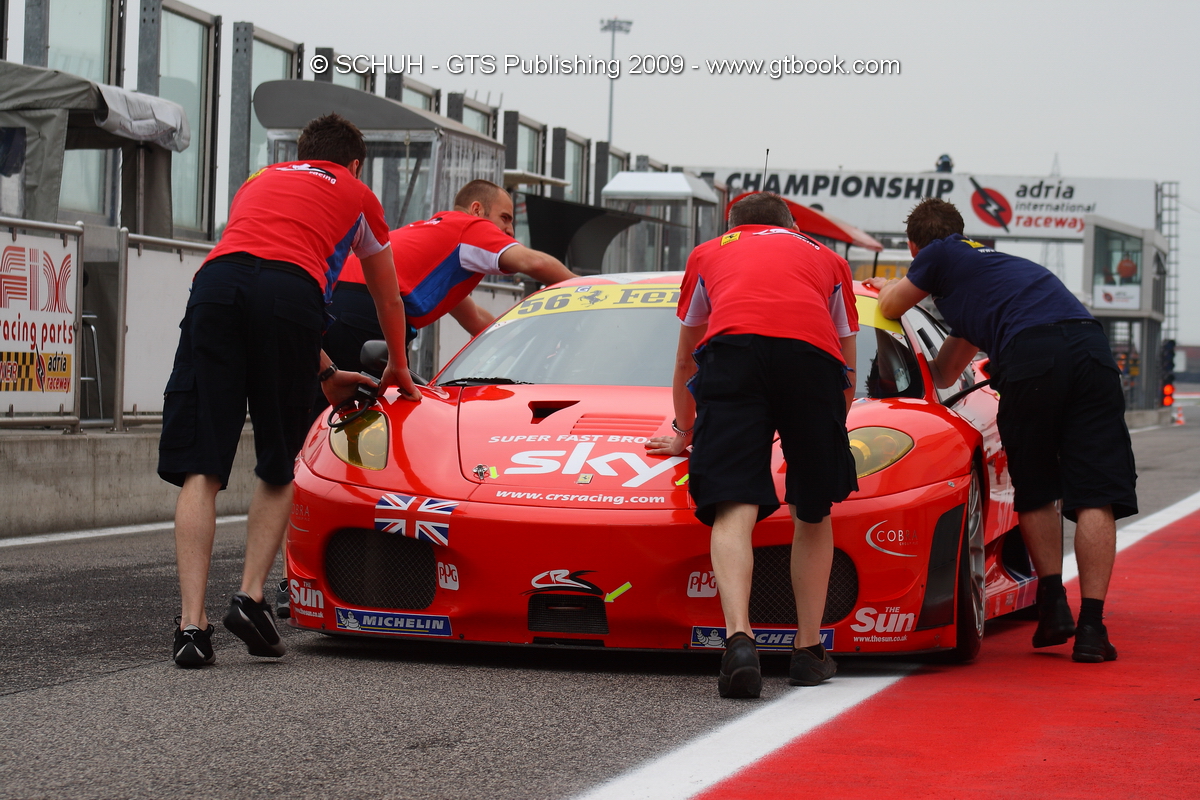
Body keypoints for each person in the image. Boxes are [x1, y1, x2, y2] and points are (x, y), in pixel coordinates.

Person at [159, 113, 420, 668]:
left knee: (202, 466)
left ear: (300, 150)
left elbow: (252, 266)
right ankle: (251, 597)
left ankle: (190, 627)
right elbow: (387, 299)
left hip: (214, 287)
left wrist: (324, 372)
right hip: (290, 291)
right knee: (279, 461)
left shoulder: (259, 179)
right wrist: (398, 364)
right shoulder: (358, 193)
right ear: (353, 163)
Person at [865, 197, 1137, 663]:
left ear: (915, 249)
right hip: (1091, 349)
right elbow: (949, 370)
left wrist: (884, 286)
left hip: (1033, 355)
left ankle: (1053, 606)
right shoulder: (997, 273)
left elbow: (890, 302)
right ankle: (1092, 627)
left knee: (1033, 488)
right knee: (1094, 495)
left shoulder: (943, 251)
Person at [647, 192, 859, 698]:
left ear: (732, 225)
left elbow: (685, 360)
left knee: (732, 503)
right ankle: (808, 651)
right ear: (791, 225)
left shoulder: (709, 252)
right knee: (813, 509)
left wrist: (685, 431)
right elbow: (847, 361)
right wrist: (830, 427)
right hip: (814, 362)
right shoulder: (829, 260)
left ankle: (739, 641)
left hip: (734, 353)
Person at [317, 179, 576, 383]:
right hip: (368, 310)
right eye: (505, 218)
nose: (510, 231)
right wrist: (602, 286)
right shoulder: (469, 226)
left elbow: (474, 318)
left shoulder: (439, 236)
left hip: (335, 305)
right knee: (376, 414)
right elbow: (535, 263)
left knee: (328, 404)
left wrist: (527, 340)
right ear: (477, 209)